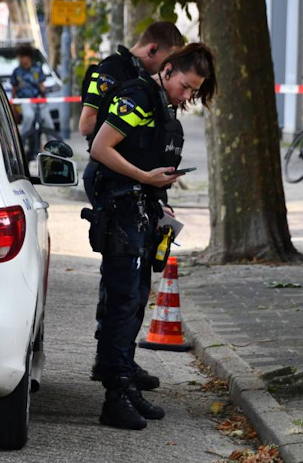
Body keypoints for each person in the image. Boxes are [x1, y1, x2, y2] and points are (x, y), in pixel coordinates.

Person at [87, 43, 217, 430]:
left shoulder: (162, 104)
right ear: (168, 68)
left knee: (136, 300)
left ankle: (126, 385)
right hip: (119, 211)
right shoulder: (137, 97)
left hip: (141, 210)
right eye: (186, 85)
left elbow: (148, 157)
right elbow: (99, 147)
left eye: (194, 90)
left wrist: (159, 198)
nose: (188, 95)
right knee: (122, 301)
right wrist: (145, 179)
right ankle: (114, 396)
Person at [79, 21, 184, 390]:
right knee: (121, 281)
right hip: (114, 179)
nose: (167, 73)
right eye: (168, 63)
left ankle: (122, 360)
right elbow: (88, 126)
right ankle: (111, 365)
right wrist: (134, 161)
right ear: (154, 51)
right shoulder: (112, 71)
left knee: (136, 284)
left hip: (139, 184)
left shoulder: (150, 84)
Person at [11, 44, 54, 136]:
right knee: (28, 116)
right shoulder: (17, 71)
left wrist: (44, 95)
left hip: (38, 99)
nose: (21, 59)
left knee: (47, 120)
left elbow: (42, 85)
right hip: (24, 100)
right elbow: (14, 88)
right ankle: (23, 141)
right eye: (19, 57)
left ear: (29, 57)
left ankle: (53, 145)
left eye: (22, 57)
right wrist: (13, 104)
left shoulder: (37, 69)